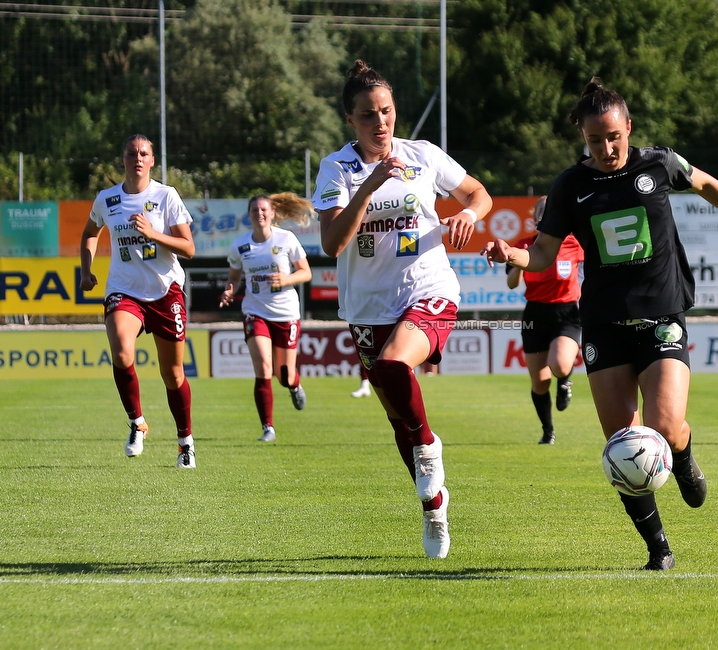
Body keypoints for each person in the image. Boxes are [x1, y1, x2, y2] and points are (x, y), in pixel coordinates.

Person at [483, 79, 718, 570]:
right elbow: (541, 255)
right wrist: (509, 252)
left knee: (663, 427)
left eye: (614, 137)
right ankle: (658, 549)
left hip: (662, 316)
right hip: (604, 325)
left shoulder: (659, 163)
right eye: (595, 140)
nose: (606, 148)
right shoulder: (570, 186)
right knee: (623, 445)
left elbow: (706, 184)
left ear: (629, 128)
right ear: (582, 135)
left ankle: (682, 456)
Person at [313, 60, 493, 559]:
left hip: (429, 289)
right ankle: (434, 506)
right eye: (368, 115)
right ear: (351, 120)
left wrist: (468, 216)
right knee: (398, 422)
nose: (380, 122)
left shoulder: (423, 155)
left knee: (395, 366)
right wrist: (367, 187)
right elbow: (331, 242)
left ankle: (430, 448)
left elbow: (478, 193)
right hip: (367, 307)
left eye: (387, 111)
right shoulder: (337, 169)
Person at [79, 134, 198, 469]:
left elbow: (188, 248)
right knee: (120, 350)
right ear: (123, 159)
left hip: (165, 291)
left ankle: (185, 442)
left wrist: (153, 234)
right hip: (124, 290)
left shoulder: (166, 196)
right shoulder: (107, 199)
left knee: (173, 374)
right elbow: (90, 232)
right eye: (131, 153)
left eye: (144, 153)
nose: (138, 158)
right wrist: (86, 270)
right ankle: (137, 423)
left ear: (152, 160)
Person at [220, 193, 314, 441]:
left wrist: (287, 279)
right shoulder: (240, 245)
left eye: (264, 210)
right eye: (254, 210)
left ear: (272, 214)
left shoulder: (286, 239)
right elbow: (234, 277)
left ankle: (294, 384)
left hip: (286, 312)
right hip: (255, 311)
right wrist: (230, 290)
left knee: (283, 374)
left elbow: (305, 273)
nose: (259, 214)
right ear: (249, 215)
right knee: (263, 366)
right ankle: (267, 428)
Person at [506, 196, 583, 445]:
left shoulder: (574, 243)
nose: (545, 213)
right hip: (535, 315)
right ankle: (548, 431)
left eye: (551, 210)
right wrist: (519, 261)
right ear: (534, 217)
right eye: (541, 210)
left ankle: (565, 381)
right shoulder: (523, 245)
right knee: (539, 382)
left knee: (559, 364)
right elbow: (511, 284)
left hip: (567, 313)